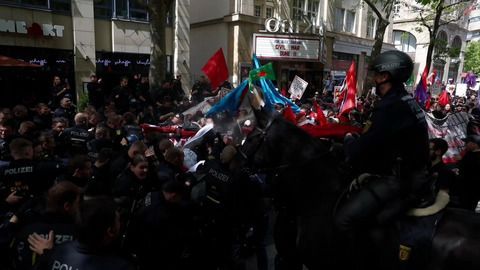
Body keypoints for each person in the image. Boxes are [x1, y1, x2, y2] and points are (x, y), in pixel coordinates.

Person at [334, 50, 431, 268]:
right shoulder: (405, 101)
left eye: (376, 74)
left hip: (400, 180)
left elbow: (364, 148)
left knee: (344, 220)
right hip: (412, 174)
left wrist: (349, 141)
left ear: (386, 76)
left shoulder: (391, 107)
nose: (373, 78)